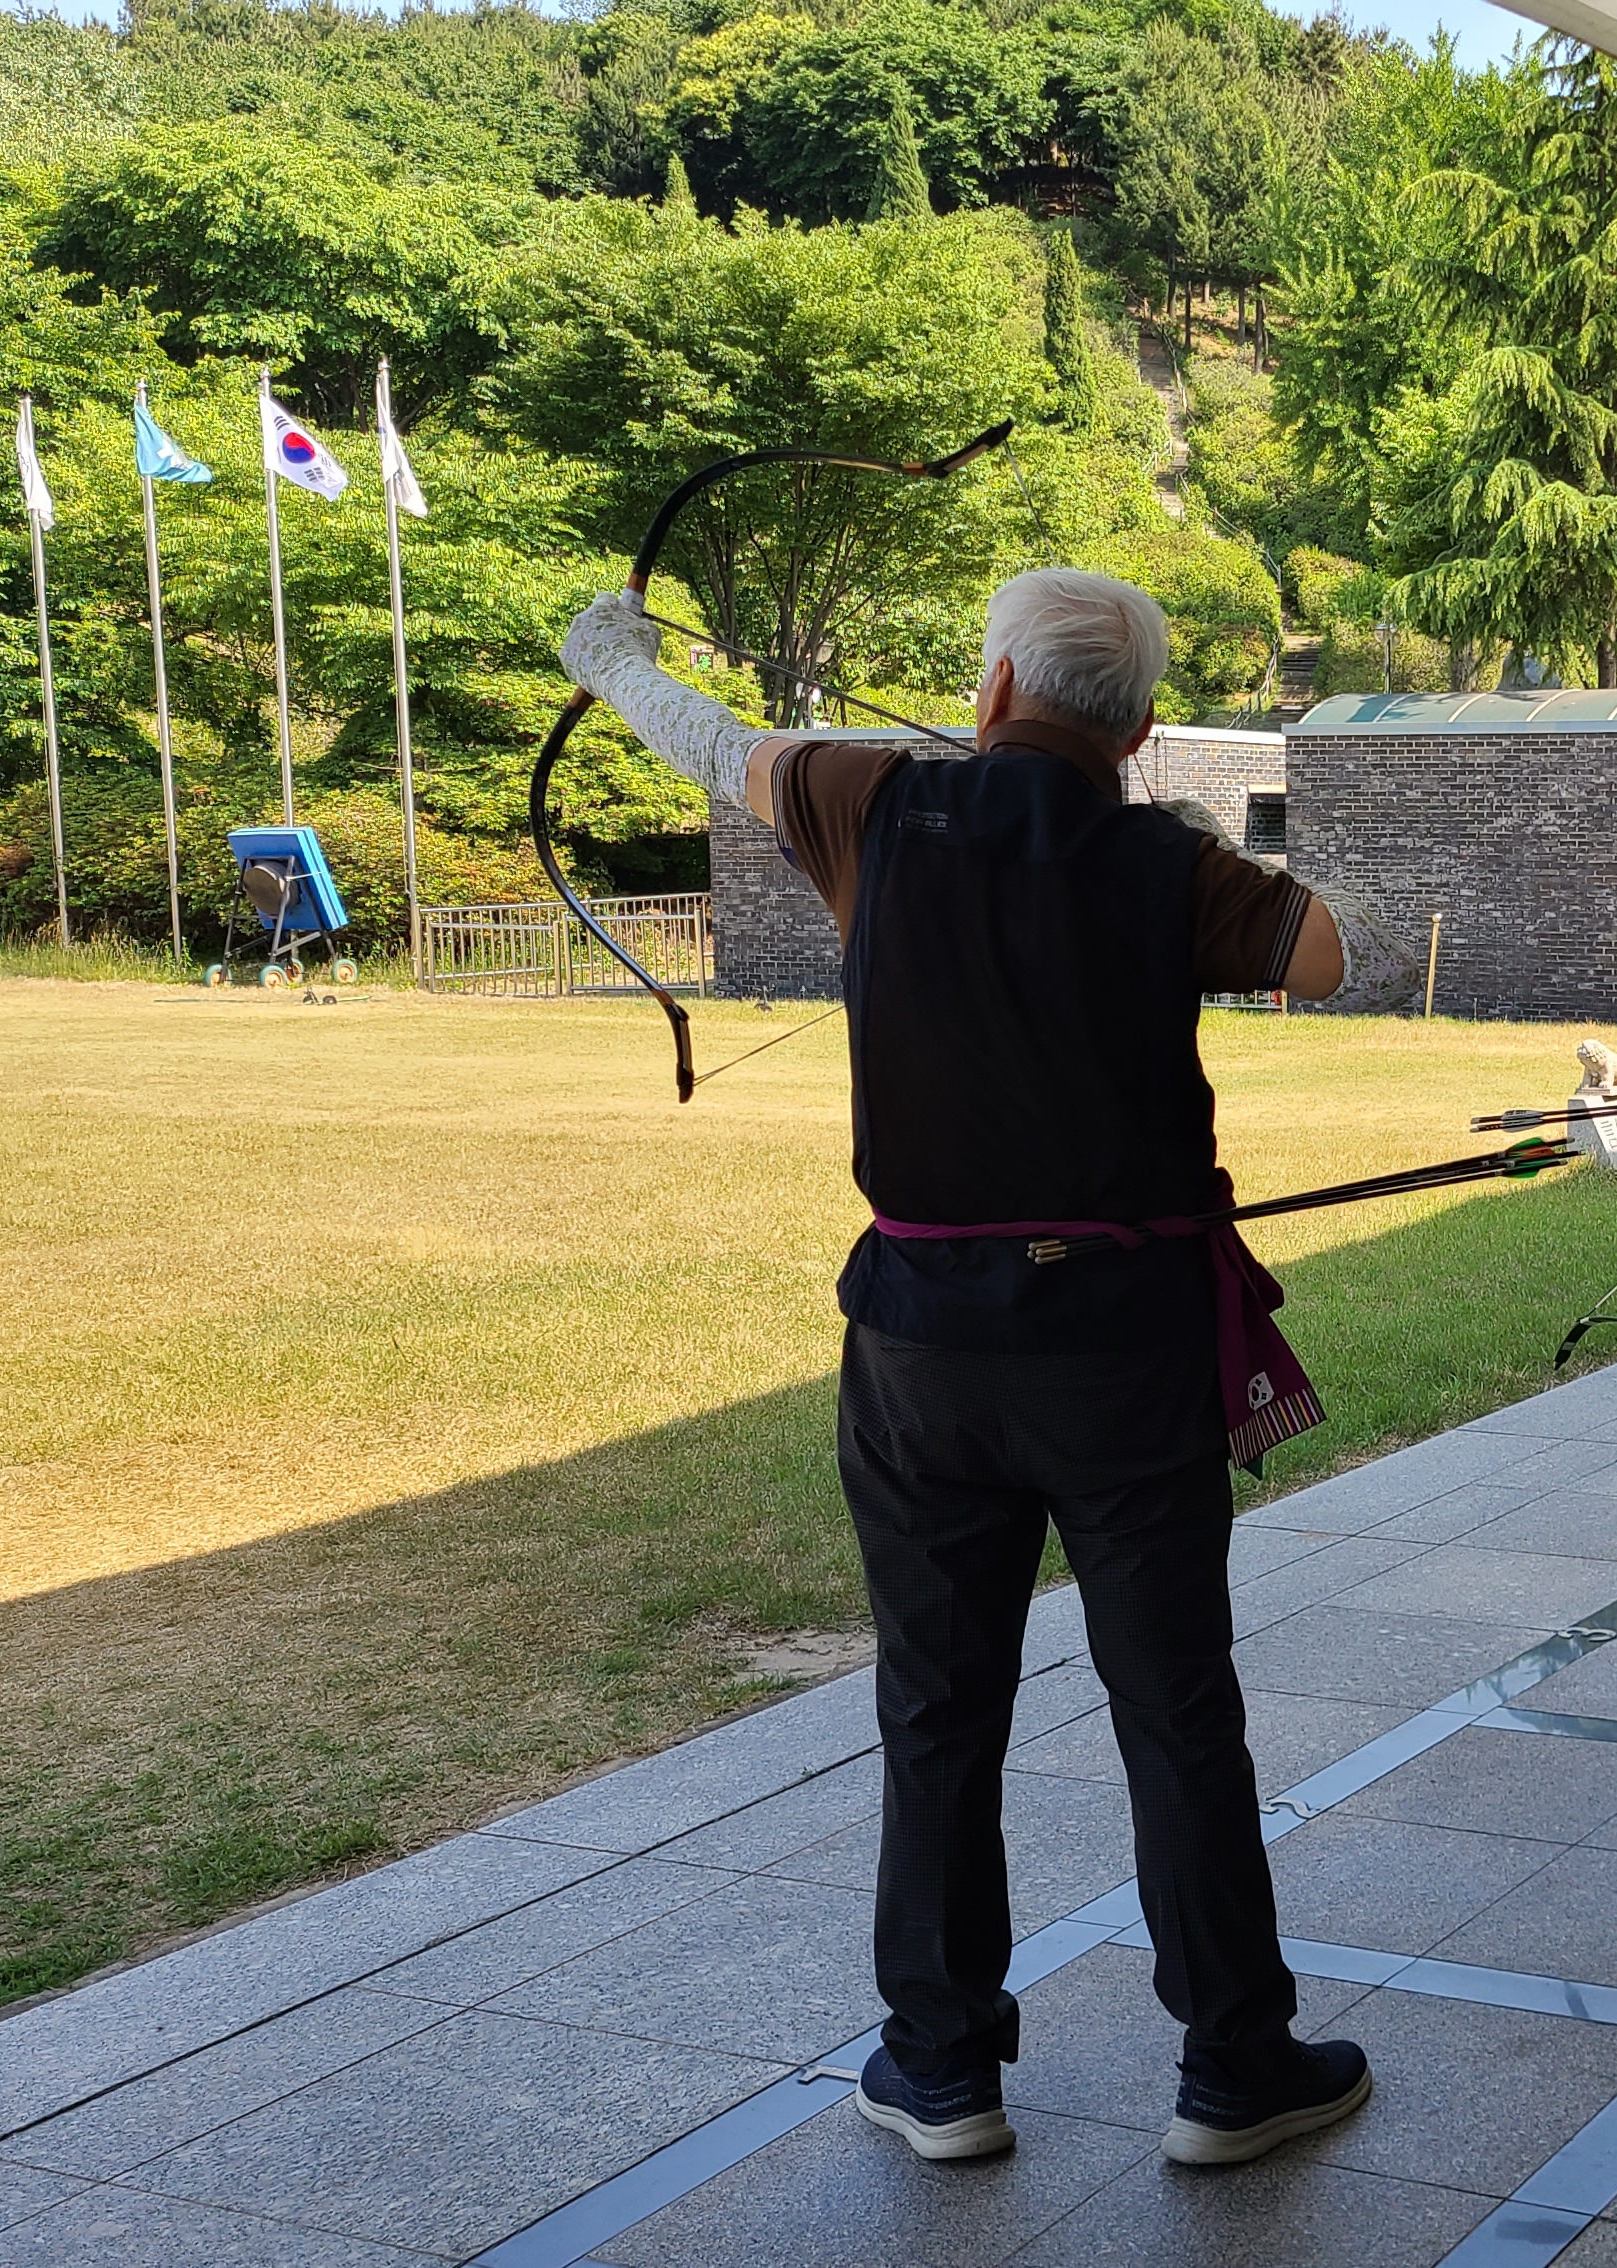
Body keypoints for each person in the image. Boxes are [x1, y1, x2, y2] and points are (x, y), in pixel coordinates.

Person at [557, 570, 1407, 2171]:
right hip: (1125, 1352)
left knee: (939, 1705)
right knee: (1177, 1707)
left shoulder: (869, 799)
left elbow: (711, 743)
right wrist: (1165, 847)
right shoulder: (1164, 860)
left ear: (995, 691)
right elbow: (1327, 955)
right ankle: (1235, 2065)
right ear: (1139, 732)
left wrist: (608, 660)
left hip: (924, 1351)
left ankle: (942, 2067)